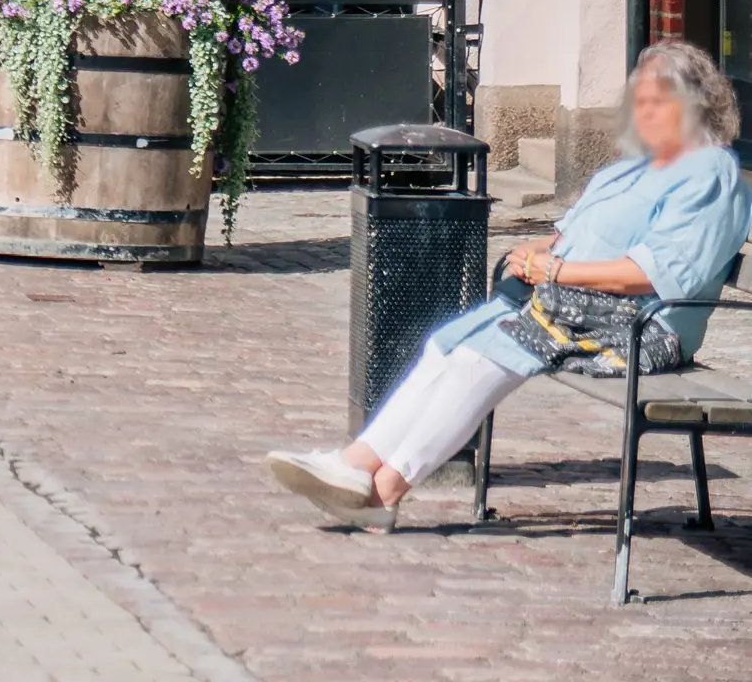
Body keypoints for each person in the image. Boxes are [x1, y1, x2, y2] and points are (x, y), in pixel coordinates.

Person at [265, 41, 751, 517]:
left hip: (644, 327)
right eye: (639, 100)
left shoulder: (710, 173)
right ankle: (358, 464)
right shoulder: (635, 169)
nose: (645, 112)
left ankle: (384, 488)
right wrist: (537, 252)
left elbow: (656, 275)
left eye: (659, 101)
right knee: (450, 343)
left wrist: (559, 270)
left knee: (484, 354)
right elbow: (575, 234)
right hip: (575, 305)